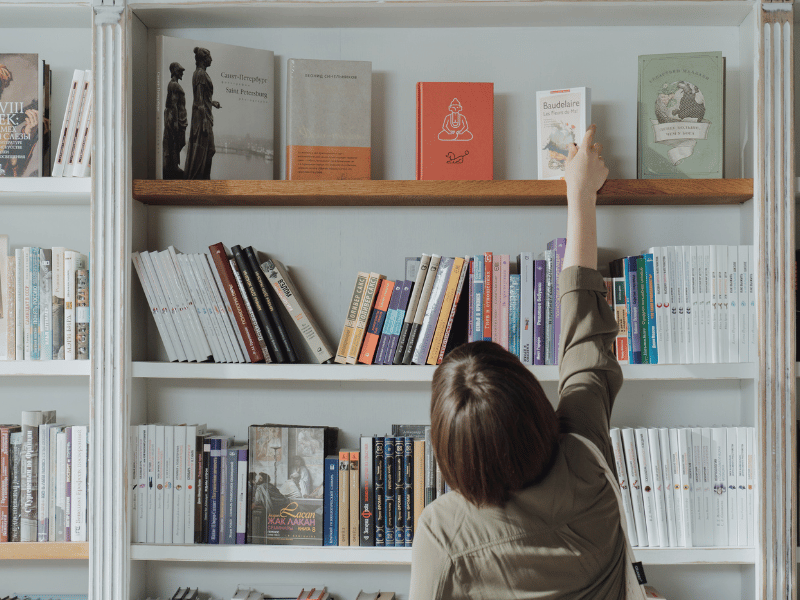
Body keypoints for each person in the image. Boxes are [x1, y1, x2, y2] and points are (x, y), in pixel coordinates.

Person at [409, 125, 625, 600]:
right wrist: (581, 193)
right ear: (533, 402)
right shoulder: (585, 459)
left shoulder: (444, 532)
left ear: (451, 451)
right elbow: (582, 332)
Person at [185, 47, 220, 180]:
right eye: (209, 57)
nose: (211, 59)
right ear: (204, 59)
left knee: (207, 150)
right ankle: (201, 179)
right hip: (201, 117)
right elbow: (198, 100)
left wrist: (212, 102)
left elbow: (202, 98)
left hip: (203, 115)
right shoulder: (200, 74)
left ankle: (204, 178)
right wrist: (204, 120)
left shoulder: (200, 73)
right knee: (206, 150)